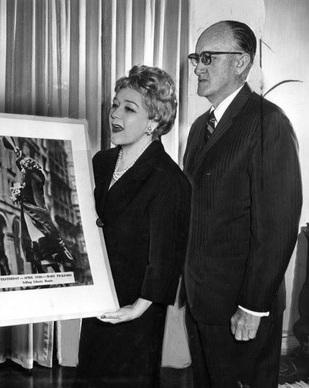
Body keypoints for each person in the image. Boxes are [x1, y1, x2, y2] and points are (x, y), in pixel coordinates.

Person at [183, 20, 302, 387]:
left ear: (240, 63)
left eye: (208, 58)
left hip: (241, 307)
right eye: (195, 58)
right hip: (203, 302)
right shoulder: (200, 126)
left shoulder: (269, 123)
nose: (198, 68)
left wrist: (252, 307)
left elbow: (278, 227)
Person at [75, 65, 191, 387]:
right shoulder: (101, 162)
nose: (115, 114)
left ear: (154, 121)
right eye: (115, 105)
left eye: (129, 108)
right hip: (99, 300)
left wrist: (137, 309)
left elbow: (167, 256)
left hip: (135, 309)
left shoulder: (170, 180)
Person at [4, 137, 75, 274]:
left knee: (41, 241)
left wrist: (20, 194)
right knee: (33, 242)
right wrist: (18, 153)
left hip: (34, 212)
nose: (21, 170)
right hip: (29, 213)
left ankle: (56, 269)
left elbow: (35, 196)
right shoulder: (32, 176)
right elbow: (24, 164)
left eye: (23, 167)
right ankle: (49, 272)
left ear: (29, 168)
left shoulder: (34, 178)